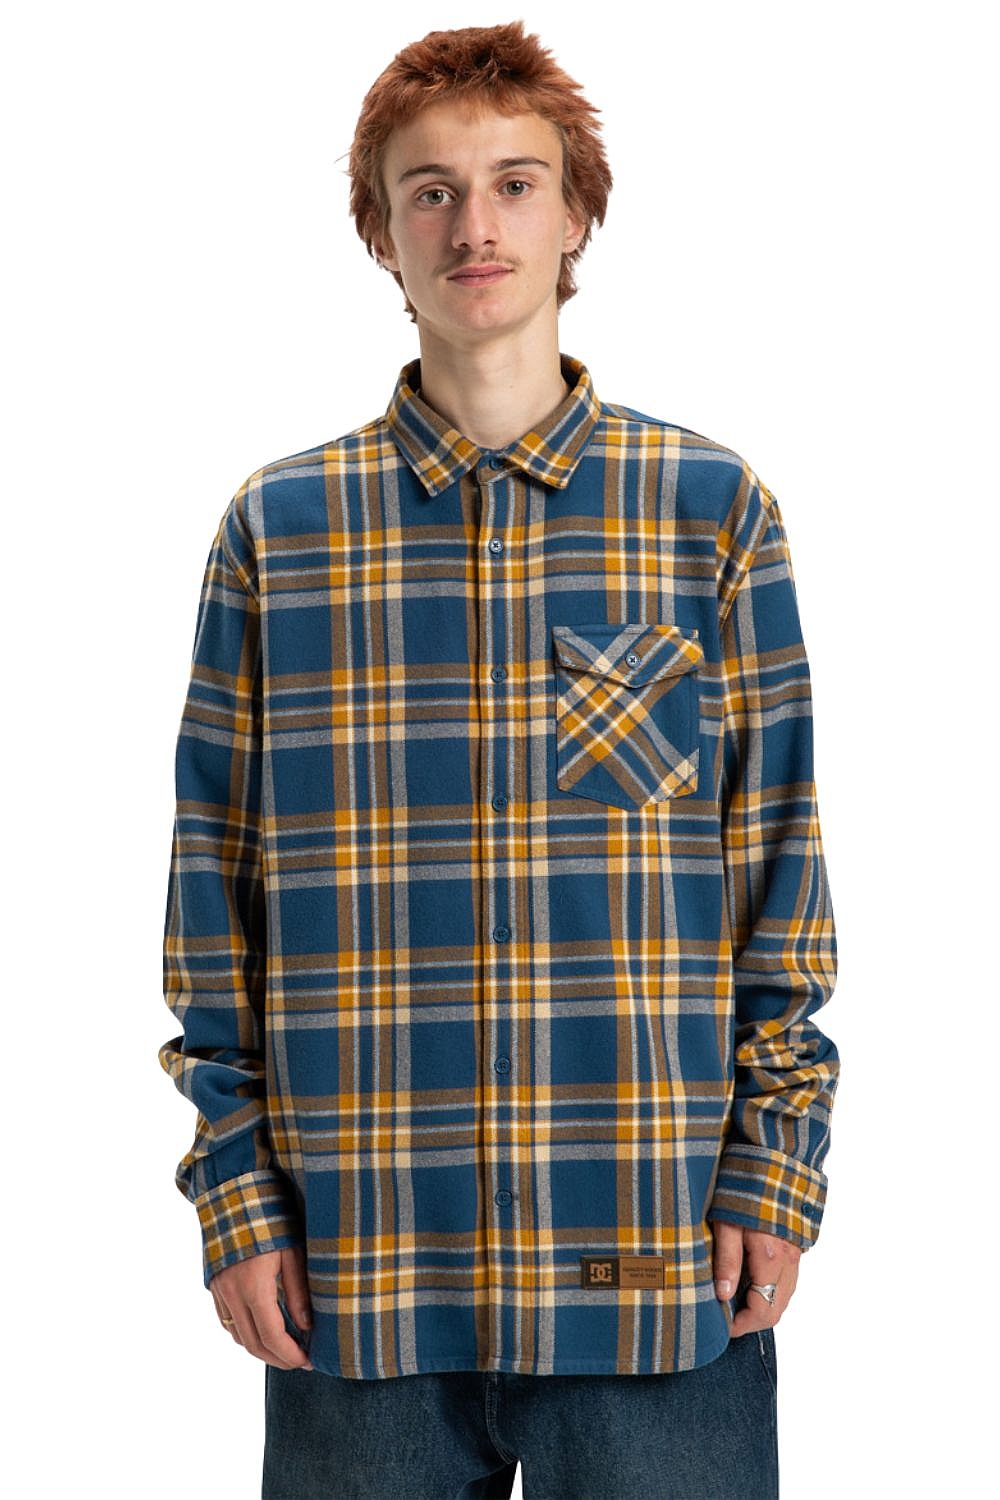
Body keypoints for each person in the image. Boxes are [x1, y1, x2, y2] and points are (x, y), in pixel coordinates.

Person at [158, 20, 840, 1499]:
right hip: (359, 1284)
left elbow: (778, 871)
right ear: (380, 233)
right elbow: (212, 901)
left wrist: (777, 1167)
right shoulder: (278, 537)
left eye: (516, 184)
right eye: (432, 192)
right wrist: (236, 1196)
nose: (476, 226)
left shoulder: (709, 512)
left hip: (652, 1268)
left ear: (576, 213)